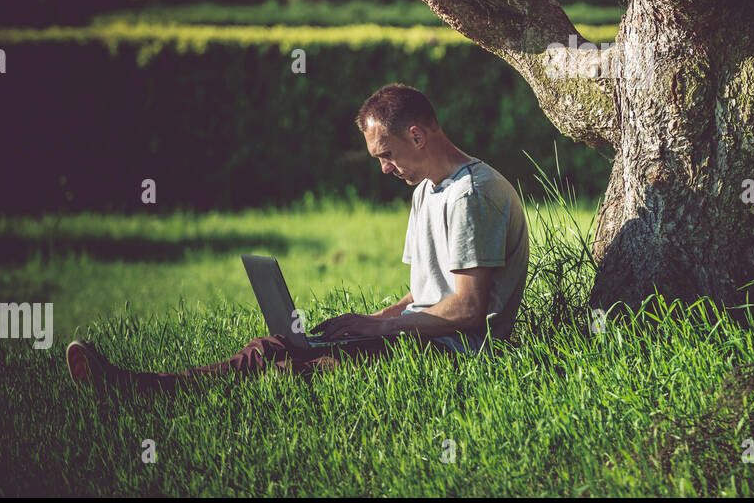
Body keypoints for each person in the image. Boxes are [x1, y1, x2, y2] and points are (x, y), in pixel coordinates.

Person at [66, 83, 530, 393]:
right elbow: (427, 292)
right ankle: (144, 384)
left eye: (386, 154)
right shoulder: (428, 190)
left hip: (451, 354)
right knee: (276, 346)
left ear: (417, 134)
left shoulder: (473, 196)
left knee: (299, 369)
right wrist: (368, 319)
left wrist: (383, 328)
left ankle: (151, 390)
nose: (384, 168)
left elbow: (469, 309)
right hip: (415, 336)